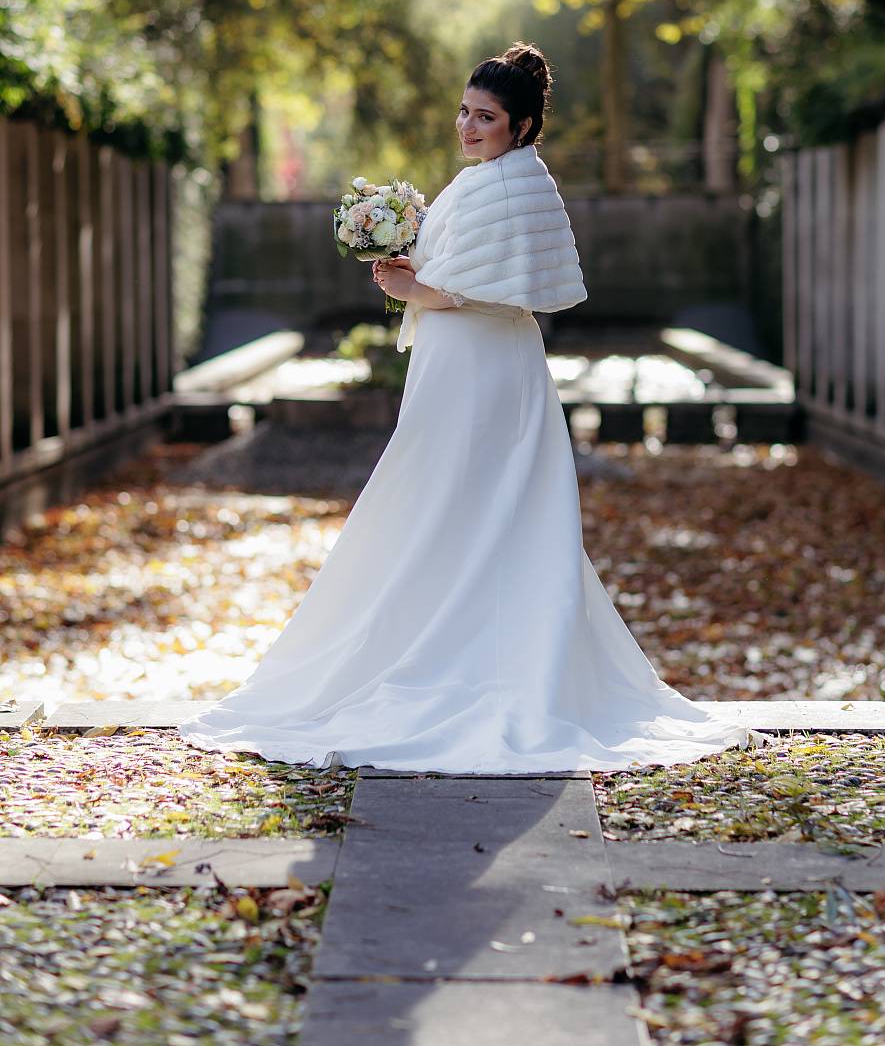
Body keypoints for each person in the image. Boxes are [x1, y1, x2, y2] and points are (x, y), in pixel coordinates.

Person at [177, 41, 764, 773]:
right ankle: (422, 646)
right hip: (451, 362)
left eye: (485, 116)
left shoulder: (521, 184)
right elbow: (455, 268)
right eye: (464, 111)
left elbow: (500, 287)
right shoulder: (478, 180)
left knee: (486, 502)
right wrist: (398, 259)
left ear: (520, 127)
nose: (468, 125)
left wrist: (418, 292)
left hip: (489, 366)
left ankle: (488, 669)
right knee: (436, 500)